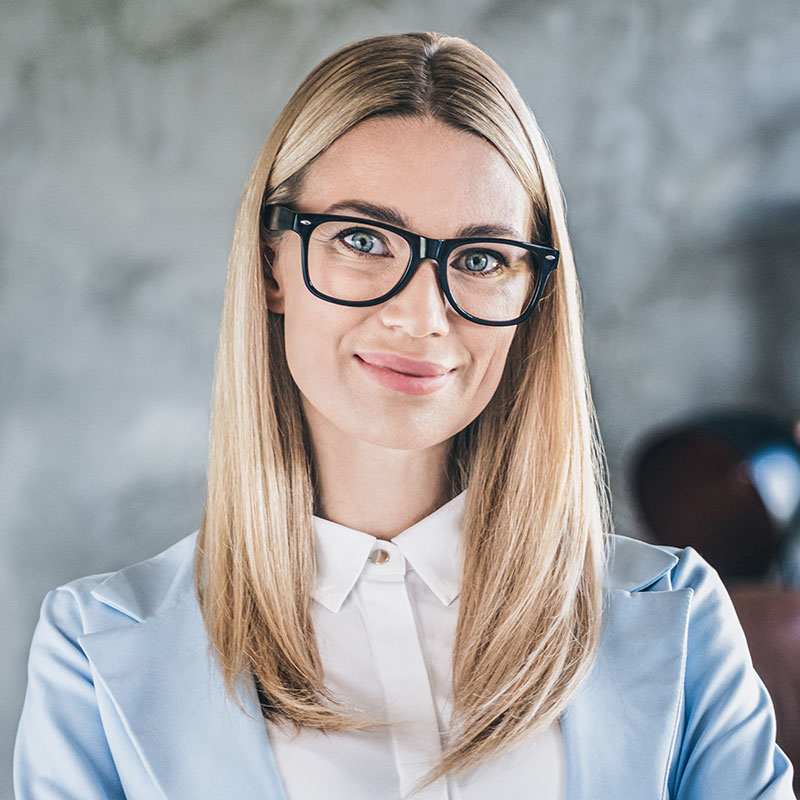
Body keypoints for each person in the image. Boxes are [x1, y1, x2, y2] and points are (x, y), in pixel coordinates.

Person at [13, 31, 795, 800]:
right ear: (271, 266)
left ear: (532, 297)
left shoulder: (679, 623)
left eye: (482, 258)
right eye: (362, 238)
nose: (421, 316)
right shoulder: (97, 650)